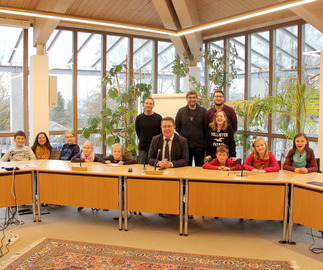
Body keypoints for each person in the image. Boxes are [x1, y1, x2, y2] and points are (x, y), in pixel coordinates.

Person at [175, 90, 206, 166]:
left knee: (199, 167)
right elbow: (177, 126)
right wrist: (184, 134)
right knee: (186, 166)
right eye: (190, 97)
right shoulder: (181, 111)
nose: (192, 99)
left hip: (199, 145)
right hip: (185, 144)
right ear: (186, 99)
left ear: (197, 98)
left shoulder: (203, 111)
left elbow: (206, 127)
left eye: (194, 97)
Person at [135, 97, 162, 164]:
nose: (148, 105)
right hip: (143, 147)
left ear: (153, 105)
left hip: (155, 147)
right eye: (147, 103)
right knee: (143, 167)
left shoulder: (158, 118)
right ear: (144, 104)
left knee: (155, 166)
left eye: (150, 103)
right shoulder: (139, 118)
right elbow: (138, 132)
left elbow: (160, 132)